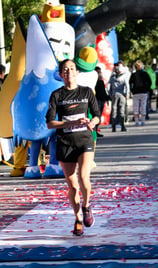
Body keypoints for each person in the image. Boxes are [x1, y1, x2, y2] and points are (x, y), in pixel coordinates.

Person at [45, 59, 101, 236]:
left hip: (84, 140)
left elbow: (97, 115)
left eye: (72, 69)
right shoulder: (56, 95)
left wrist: (92, 122)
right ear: (61, 75)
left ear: (77, 72)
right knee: (73, 186)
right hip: (65, 143)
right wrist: (71, 122)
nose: (69, 72)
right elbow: (49, 123)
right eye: (65, 70)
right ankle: (78, 219)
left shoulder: (86, 92)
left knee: (84, 177)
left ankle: (86, 206)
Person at [108, 61, 130, 132]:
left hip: (114, 94)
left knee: (114, 110)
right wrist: (127, 93)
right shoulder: (124, 77)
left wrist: (110, 94)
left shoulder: (112, 78)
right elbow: (127, 86)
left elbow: (108, 87)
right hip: (122, 94)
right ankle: (122, 126)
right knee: (121, 110)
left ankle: (113, 127)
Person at [129, 60, 151, 126]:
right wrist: (147, 89)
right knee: (143, 107)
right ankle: (143, 121)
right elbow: (149, 82)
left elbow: (130, 83)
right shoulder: (145, 74)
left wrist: (132, 90)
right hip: (143, 92)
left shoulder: (133, 75)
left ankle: (136, 122)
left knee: (136, 107)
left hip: (135, 93)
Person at [94, 66, 110, 137]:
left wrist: (107, 97)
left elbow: (103, 92)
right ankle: (94, 131)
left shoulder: (101, 81)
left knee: (99, 116)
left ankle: (96, 130)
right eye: (98, 72)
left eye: (100, 72)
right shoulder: (94, 81)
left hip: (102, 100)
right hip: (96, 100)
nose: (99, 74)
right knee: (96, 116)